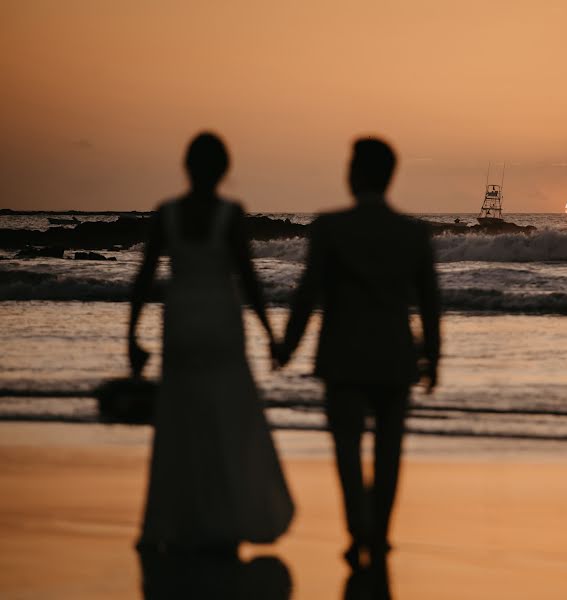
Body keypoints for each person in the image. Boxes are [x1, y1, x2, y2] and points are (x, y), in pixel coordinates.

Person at [275, 137, 441, 568]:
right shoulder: (413, 232)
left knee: (347, 450)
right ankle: (381, 534)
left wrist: (287, 346)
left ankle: (357, 531)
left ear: (356, 174)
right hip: (395, 356)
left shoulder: (330, 227)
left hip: (342, 355)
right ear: (390, 177)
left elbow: (308, 293)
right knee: (389, 452)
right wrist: (434, 358)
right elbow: (429, 303)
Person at [128, 132, 293, 552]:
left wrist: (131, 334)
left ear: (187, 167)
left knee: (180, 418)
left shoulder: (167, 213)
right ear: (224, 170)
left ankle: (181, 519)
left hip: (181, 319)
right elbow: (248, 277)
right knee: (225, 417)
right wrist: (270, 333)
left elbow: (144, 277)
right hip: (221, 319)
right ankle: (224, 515)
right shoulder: (230, 213)